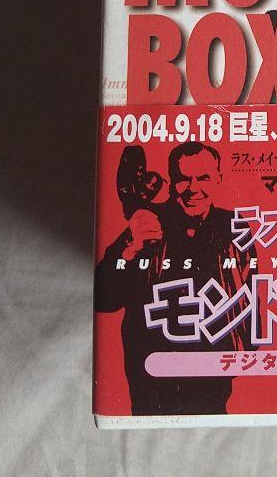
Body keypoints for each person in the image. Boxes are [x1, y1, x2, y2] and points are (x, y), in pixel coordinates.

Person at [94, 143, 254, 416]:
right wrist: (129, 247)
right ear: (170, 180)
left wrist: (237, 357)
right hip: (151, 376)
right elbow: (104, 299)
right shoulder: (147, 222)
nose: (193, 188)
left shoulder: (233, 226)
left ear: (218, 178)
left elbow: (250, 304)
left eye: (203, 178)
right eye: (183, 179)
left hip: (211, 379)